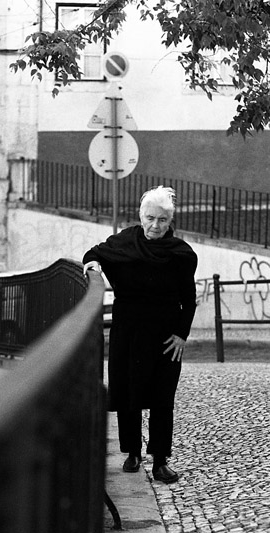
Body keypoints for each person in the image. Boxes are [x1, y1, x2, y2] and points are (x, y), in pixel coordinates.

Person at [82, 186, 198, 484]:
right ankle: (132, 452)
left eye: (162, 220)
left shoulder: (181, 254)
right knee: (127, 392)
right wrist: (92, 265)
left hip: (164, 334)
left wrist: (181, 334)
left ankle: (160, 460)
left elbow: (188, 296)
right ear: (140, 216)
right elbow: (94, 254)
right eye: (150, 218)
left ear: (170, 221)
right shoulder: (125, 241)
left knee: (162, 396)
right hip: (128, 329)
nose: (155, 225)